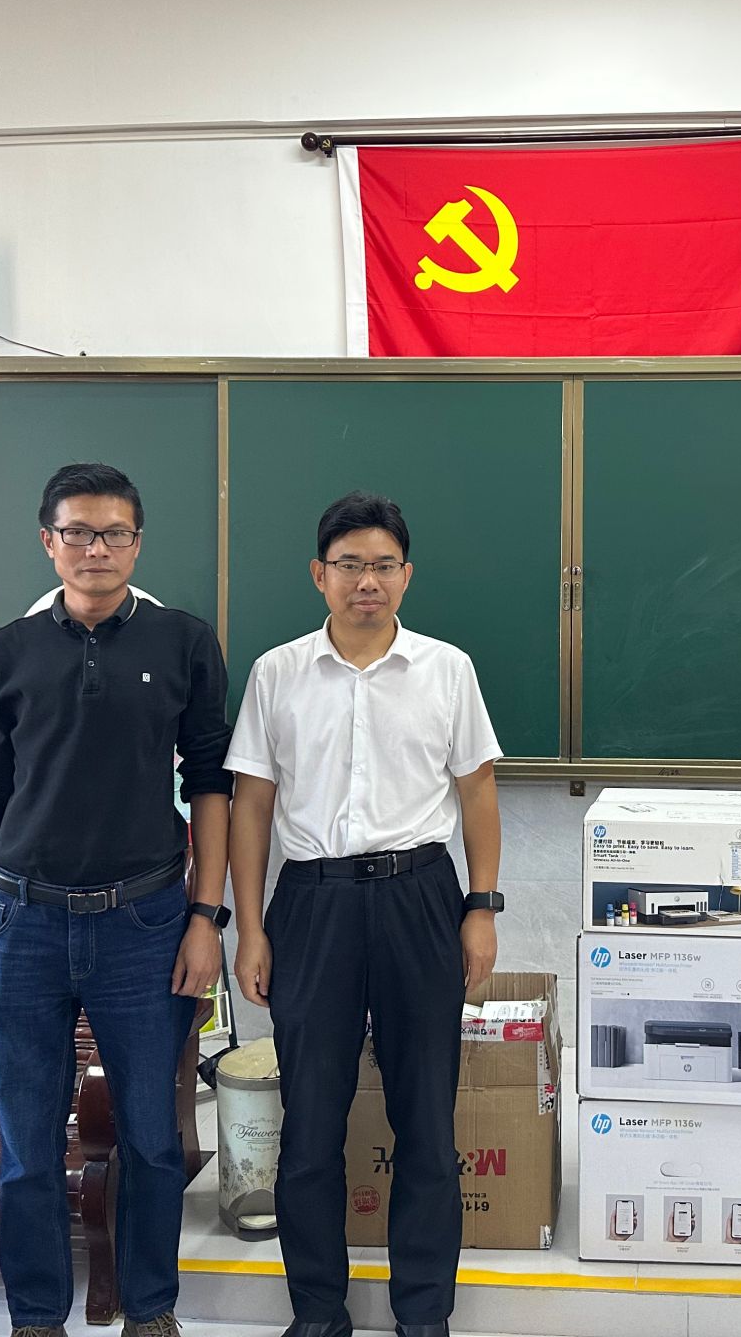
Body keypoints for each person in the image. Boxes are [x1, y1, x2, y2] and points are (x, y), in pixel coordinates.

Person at [0, 462, 233, 1337]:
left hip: (144, 924)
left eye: (113, 533)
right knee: (29, 1147)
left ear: (137, 544)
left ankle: (150, 1310)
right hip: (21, 925)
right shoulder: (5, 652)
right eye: (77, 532)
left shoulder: (184, 642)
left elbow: (211, 784)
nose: (95, 548)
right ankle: (36, 1317)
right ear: (49, 541)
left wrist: (205, 918)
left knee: (151, 1139)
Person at [226, 491, 504, 1337]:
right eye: (350, 565)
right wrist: (251, 928)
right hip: (312, 905)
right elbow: (250, 807)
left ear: (406, 576)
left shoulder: (447, 669)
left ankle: (424, 1313)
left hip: (421, 898)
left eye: (383, 565)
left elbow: (478, 793)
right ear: (320, 575)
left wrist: (482, 907)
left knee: (427, 1121)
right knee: (311, 1125)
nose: (367, 581)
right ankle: (318, 1313)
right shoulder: (277, 673)